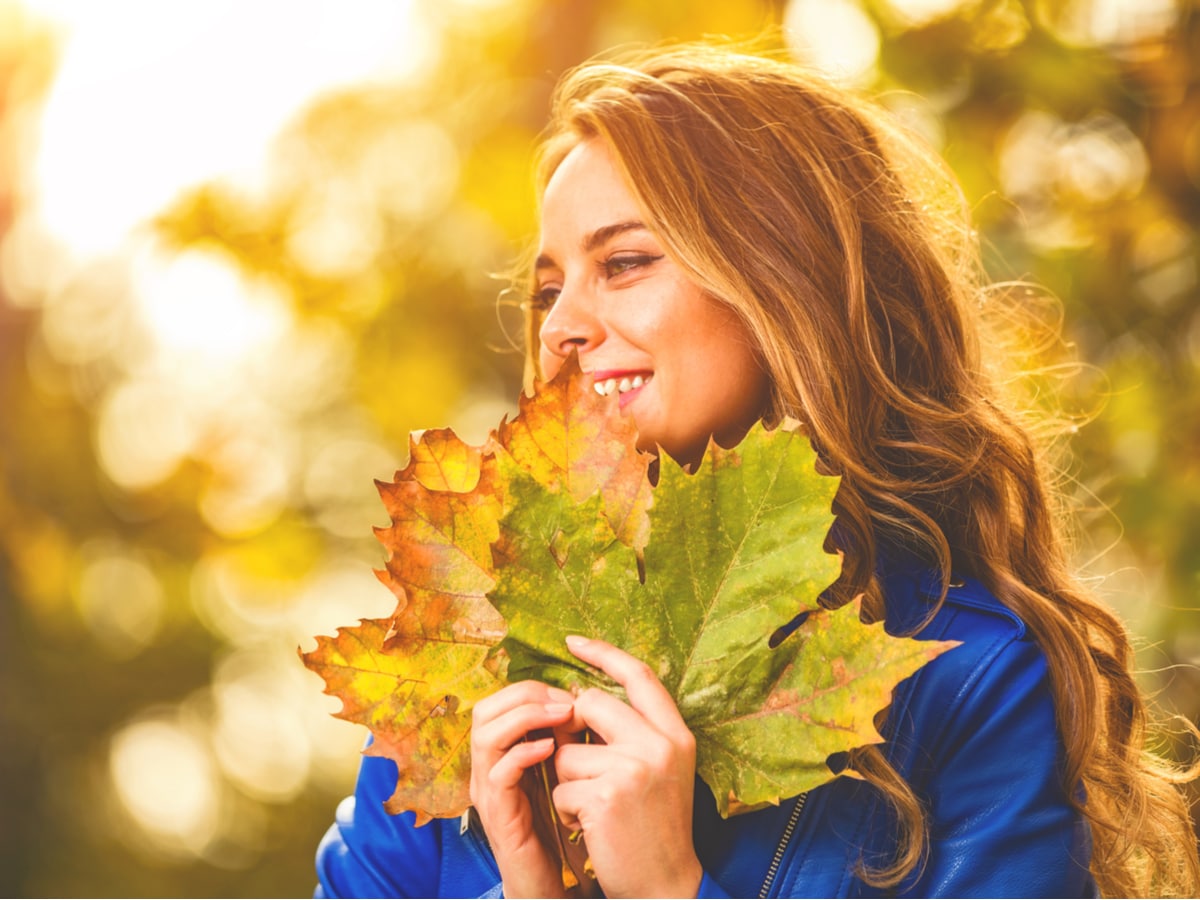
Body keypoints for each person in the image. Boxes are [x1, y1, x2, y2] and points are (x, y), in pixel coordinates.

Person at [314, 41, 1200, 898]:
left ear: (785, 283)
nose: (558, 328)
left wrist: (672, 890)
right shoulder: (473, 643)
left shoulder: (966, 680)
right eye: (550, 288)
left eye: (623, 264)